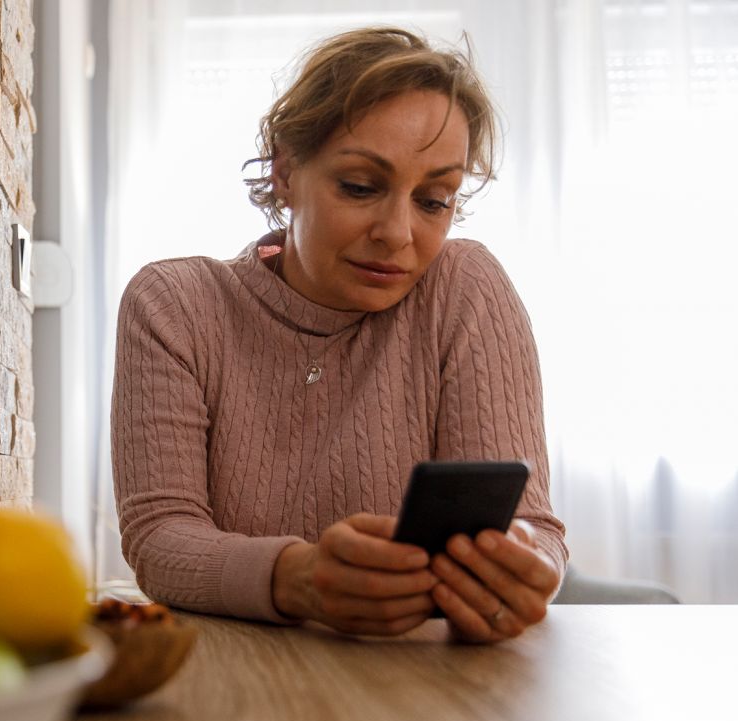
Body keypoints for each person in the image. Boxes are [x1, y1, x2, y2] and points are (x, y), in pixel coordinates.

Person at [110, 26, 566, 643]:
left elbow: (533, 526)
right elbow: (160, 536)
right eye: (360, 186)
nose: (398, 233)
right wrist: (296, 578)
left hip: (426, 686)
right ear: (286, 172)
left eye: (435, 199)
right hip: (239, 683)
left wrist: (525, 567)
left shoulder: (465, 287)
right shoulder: (174, 305)